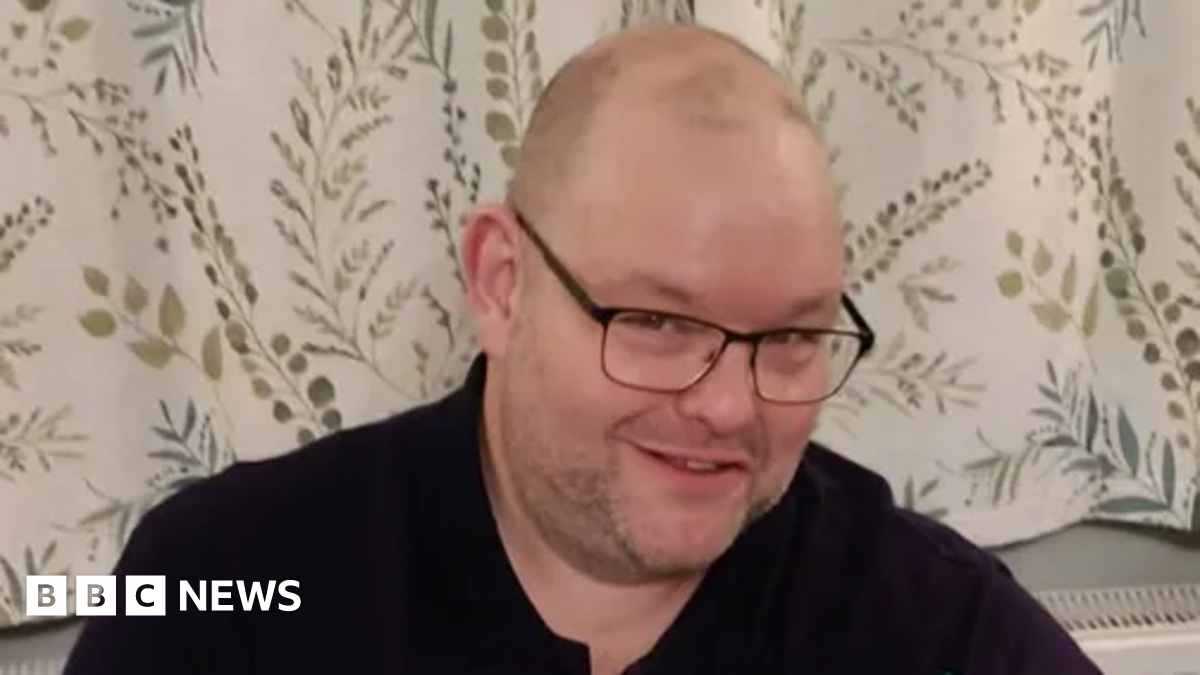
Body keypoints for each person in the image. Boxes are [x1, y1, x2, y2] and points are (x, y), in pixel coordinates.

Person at [61, 23, 1103, 675]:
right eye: (658, 322)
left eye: (788, 337)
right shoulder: (216, 578)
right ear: (501, 283)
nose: (732, 408)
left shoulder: (931, 627)